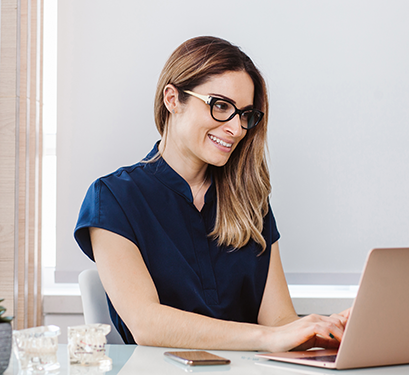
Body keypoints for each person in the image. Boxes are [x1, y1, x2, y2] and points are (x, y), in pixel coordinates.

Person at [74, 36, 349, 351]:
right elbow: (145, 324)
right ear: (172, 99)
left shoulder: (250, 201)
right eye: (220, 106)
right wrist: (268, 338)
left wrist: (327, 330)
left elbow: (279, 321)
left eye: (245, 114)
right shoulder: (113, 198)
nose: (236, 129)